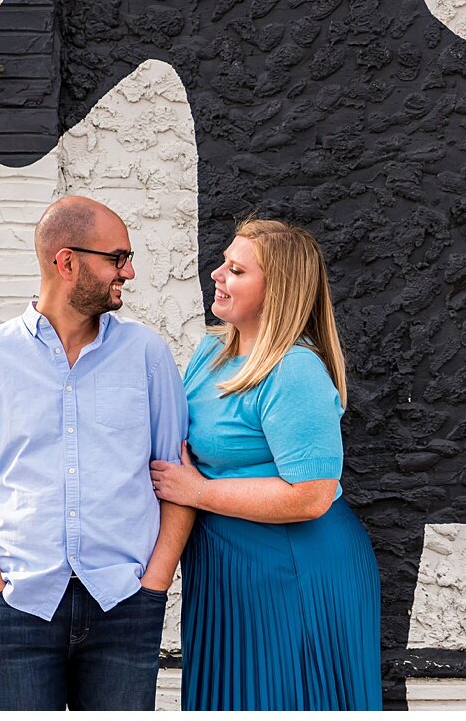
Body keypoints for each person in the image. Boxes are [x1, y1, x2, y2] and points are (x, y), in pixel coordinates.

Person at [0, 196, 193, 710]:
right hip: (21, 607)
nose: (130, 271)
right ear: (67, 262)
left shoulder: (147, 355)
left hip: (125, 603)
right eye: (117, 258)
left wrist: (155, 582)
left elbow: (176, 478)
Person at [150, 218, 382, 710]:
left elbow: (313, 493)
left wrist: (197, 492)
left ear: (275, 291)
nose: (217, 274)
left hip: (295, 573)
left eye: (235, 270)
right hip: (228, 571)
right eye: (223, 263)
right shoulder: (213, 349)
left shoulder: (293, 369)